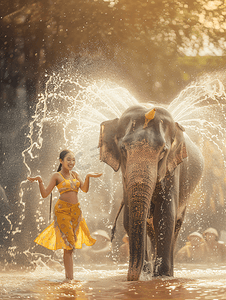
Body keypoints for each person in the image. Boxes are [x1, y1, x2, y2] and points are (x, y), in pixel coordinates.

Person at [27, 149, 102, 280]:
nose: (71, 162)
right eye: (68, 159)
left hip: (76, 212)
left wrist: (88, 176)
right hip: (62, 212)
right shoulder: (56, 176)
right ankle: (69, 279)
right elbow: (45, 194)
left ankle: (69, 278)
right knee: (69, 246)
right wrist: (39, 181)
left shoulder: (75, 175)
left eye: (73, 159)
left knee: (70, 247)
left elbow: (84, 189)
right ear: (61, 161)